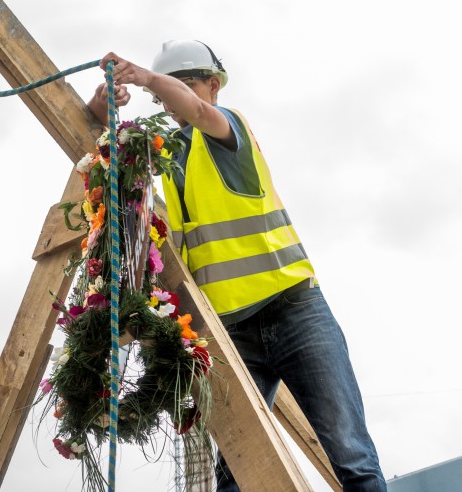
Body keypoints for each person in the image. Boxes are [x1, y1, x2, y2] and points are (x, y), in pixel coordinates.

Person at [86, 40, 386, 491]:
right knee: (234, 475)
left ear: (213, 86)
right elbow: (111, 155)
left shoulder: (229, 128)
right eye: (163, 96)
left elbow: (201, 115)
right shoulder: (167, 157)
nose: (169, 103)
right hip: (231, 334)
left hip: (294, 311)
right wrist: (99, 109)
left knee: (352, 457)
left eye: (182, 87)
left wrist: (149, 79)